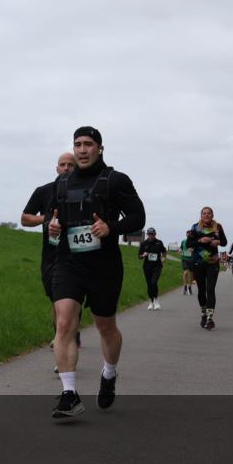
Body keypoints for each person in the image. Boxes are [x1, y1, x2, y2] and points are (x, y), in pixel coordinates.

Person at [47, 127, 145, 418]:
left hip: (104, 266)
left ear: (100, 148)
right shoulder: (62, 183)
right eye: (77, 144)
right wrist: (53, 228)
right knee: (64, 323)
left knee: (106, 327)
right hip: (68, 263)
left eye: (88, 144)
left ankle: (109, 373)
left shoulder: (116, 180)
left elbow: (138, 216)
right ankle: (69, 394)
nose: (82, 150)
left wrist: (111, 228)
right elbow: (55, 220)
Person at [21, 152, 81, 374]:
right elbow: (25, 218)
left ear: (77, 168)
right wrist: (46, 220)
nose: (66, 168)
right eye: (62, 165)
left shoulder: (84, 191)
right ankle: (68, 332)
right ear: (56, 168)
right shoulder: (43, 191)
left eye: (70, 165)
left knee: (65, 307)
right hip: (50, 257)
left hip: (76, 256)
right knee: (56, 301)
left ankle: (64, 348)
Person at [186, 207, 228, 330]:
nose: (206, 215)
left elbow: (224, 242)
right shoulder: (195, 227)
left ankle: (210, 318)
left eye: (209, 213)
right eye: (204, 213)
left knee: (210, 289)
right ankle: (203, 312)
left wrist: (217, 242)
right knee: (201, 290)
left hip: (212, 262)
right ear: (201, 215)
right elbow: (189, 243)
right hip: (198, 262)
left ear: (212, 215)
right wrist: (200, 240)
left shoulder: (218, 227)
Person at [138, 227, 167, 310]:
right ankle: (151, 301)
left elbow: (164, 251)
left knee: (154, 282)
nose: (151, 236)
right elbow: (139, 256)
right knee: (149, 284)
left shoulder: (159, 242)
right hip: (147, 267)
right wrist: (143, 255)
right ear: (147, 234)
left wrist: (163, 258)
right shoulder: (144, 243)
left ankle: (156, 300)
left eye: (152, 234)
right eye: (149, 234)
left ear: (155, 234)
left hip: (157, 266)